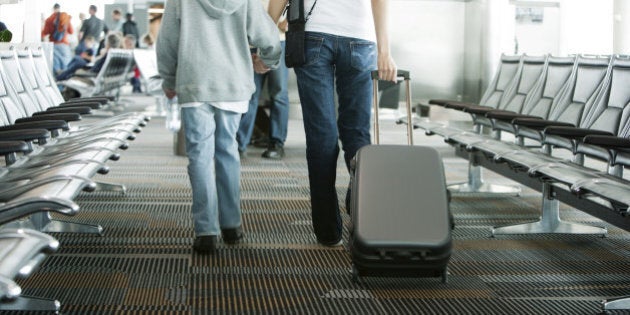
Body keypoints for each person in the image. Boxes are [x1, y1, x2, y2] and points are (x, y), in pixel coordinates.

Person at [268, 0, 397, 247]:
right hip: (360, 38)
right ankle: (362, 211)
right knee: (357, 133)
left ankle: (328, 231)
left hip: (314, 34)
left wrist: (263, 38)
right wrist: (384, 52)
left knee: (321, 138)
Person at [157, 0, 281, 254]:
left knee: (200, 156)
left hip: (195, 80)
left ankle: (206, 231)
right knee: (228, 150)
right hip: (233, 81)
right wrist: (268, 60)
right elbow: (266, 33)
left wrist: (169, 77)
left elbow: (167, 39)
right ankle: (231, 225)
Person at [237, 0, 290, 160]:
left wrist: (289, 22)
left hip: (279, 38)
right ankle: (239, 143)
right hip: (250, 39)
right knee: (249, 94)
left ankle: (276, 143)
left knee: (279, 93)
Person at [41, 3, 74, 74]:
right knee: (66, 67)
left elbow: (44, 33)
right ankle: (65, 83)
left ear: (53, 9)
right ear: (59, 8)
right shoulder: (65, 17)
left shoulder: (49, 19)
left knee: (56, 69)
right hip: (64, 46)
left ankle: (58, 85)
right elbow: (71, 31)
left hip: (53, 46)